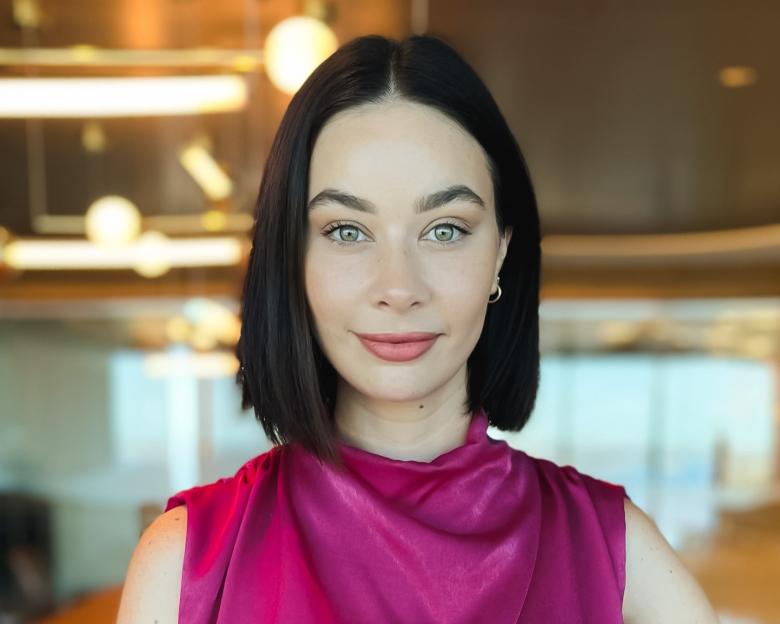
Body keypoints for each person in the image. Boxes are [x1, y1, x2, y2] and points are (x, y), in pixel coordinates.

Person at [117, 34, 720, 623]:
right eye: (346, 231)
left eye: (446, 229)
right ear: (291, 258)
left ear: (501, 254)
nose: (399, 287)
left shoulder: (617, 552)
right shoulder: (186, 564)